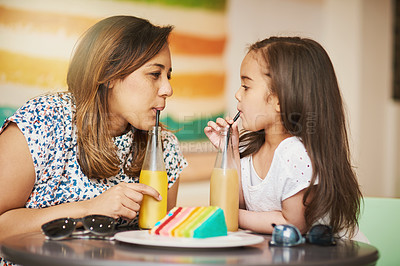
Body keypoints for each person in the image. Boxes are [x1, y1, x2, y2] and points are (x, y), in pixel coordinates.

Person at [0, 15, 187, 243]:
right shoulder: (43, 121)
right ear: (108, 75)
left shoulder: (163, 147)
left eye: (168, 76)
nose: (168, 89)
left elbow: (158, 237)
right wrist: (88, 209)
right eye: (154, 74)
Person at [205, 36, 366, 241]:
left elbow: (292, 224)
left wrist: (227, 214)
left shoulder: (294, 153)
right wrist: (229, 150)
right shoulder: (254, 150)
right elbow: (240, 203)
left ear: (279, 99)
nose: (238, 94)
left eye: (246, 86)